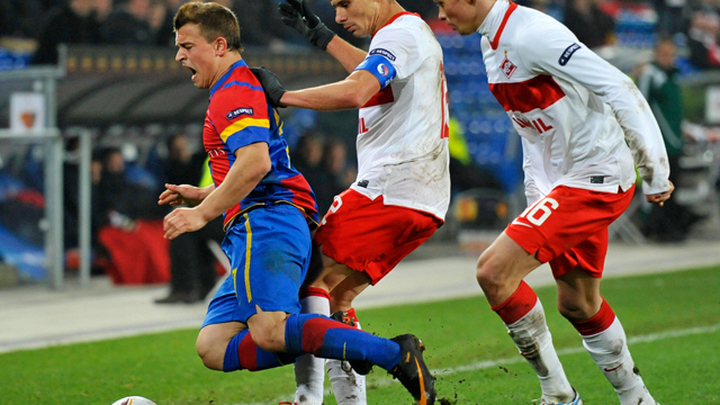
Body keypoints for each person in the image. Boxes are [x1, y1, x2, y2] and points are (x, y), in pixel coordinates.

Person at [160, 3, 435, 405]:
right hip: (264, 218)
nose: (179, 56)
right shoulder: (234, 86)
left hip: (266, 221)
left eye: (187, 46)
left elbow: (256, 162)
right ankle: (335, 346)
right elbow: (256, 165)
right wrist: (204, 194)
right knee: (214, 346)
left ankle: (393, 354)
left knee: (271, 331)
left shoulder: (232, 90)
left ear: (219, 45)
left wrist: (201, 213)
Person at [435, 0, 673, 404]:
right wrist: (538, 192)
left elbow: (618, 86)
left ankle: (559, 394)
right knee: (578, 303)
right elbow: (533, 130)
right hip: (561, 183)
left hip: (594, 176)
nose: (440, 14)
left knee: (494, 272)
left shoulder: (533, 34)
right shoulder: (491, 42)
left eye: (443, 2)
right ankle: (638, 399)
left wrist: (655, 170)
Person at [252, 0, 450, 404]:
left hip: (391, 189)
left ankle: (310, 396)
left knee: (310, 281)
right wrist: (324, 38)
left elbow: (359, 89)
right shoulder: (409, 33)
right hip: (423, 200)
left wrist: (283, 97)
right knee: (337, 298)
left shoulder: (398, 34)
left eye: (344, 3)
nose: (339, 15)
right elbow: (372, 75)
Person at [637, 36, 698, 242]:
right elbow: (640, 106)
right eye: (663, 53)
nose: (667, 57)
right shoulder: (650, 74)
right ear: (656, 53)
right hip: (659, 145)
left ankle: (673, 228)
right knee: (660, 188)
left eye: (670, 54)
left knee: (673, 188)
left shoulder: (673, 75)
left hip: (675, 143)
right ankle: (657, 229)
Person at [155, 134, 225, 304]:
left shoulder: (229, 155)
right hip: (221, 212)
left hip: (233, 216)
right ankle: (199, 285)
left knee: (184, 227)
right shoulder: (210, 157)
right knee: (188, 226)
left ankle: (186, 288)